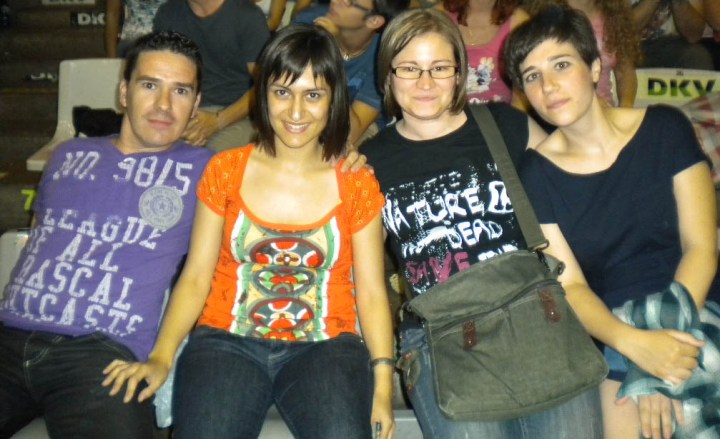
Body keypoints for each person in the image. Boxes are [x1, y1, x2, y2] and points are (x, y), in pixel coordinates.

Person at [102, 25, 396, 439]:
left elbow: (371, 292)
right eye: (282, 92)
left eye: (313, 95)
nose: (296, 112)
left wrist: (382, 385)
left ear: (334, 100)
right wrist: (162, 356)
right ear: (262, 95)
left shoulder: (356, 182)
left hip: (327, 345)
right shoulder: (225, 170)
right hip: (226, 339)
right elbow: (197, 276)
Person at [362, 8, 603, 438]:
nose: (425, 82)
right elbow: (367, 284)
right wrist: (381, 375)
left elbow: (579, 198)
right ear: (387, 76)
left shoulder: (507, 126)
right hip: (441, 335)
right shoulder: (370, 163)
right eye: (409, 68)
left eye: (440, 67)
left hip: (535, 314)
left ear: (460, 73)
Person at [503, 5, 718, 438]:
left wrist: (661, 348)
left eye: (561, 65)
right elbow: (571, 286)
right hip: (614, 329)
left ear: (596, 67)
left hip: (694, 304)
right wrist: (636, 347)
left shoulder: (664, 128)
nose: (548, 86)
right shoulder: (533, 174)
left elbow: (702, 246)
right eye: (532, 76)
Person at [0, 31, 214, 438]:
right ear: (124, 93)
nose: (164, 104)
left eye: (181, 91)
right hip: (9, 336)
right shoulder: (67, 155)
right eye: (149, 85)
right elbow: (38, 240)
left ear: (196, 104)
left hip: (102, 356)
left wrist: (162, 356)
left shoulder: (207, 169)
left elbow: (198, 275)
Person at [153, 0, 271, 152]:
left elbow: (266, 85)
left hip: (236, 115)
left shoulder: (248, 16)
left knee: (211, 159)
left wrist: (218, 121)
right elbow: (160, 74)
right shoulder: (168, 13)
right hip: (183, 109)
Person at [294, 0, 409, 146]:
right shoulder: (309, 21)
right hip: (307, 108)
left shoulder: (383, 56)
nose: (335, 1)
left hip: (362, 125)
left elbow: (350, 133)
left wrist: (330, 51)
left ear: (374, 21)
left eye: (349, 2)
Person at [524, 0, 640, 107]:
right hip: (558, 111)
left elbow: (625, 71)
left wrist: (626, 106)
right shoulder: (542, 17)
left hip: (605, 112)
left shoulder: (614, 16)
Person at [441, 0, 529, 105]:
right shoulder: (437, 18)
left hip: (499, 114)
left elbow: (522, 100)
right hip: (446, 112)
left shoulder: (520, 22)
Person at [630, 0, 713, 70]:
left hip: (667, 44)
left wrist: (679, 2)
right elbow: (627, 30)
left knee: (697, 56)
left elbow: (694, 36)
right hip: (627, 46)